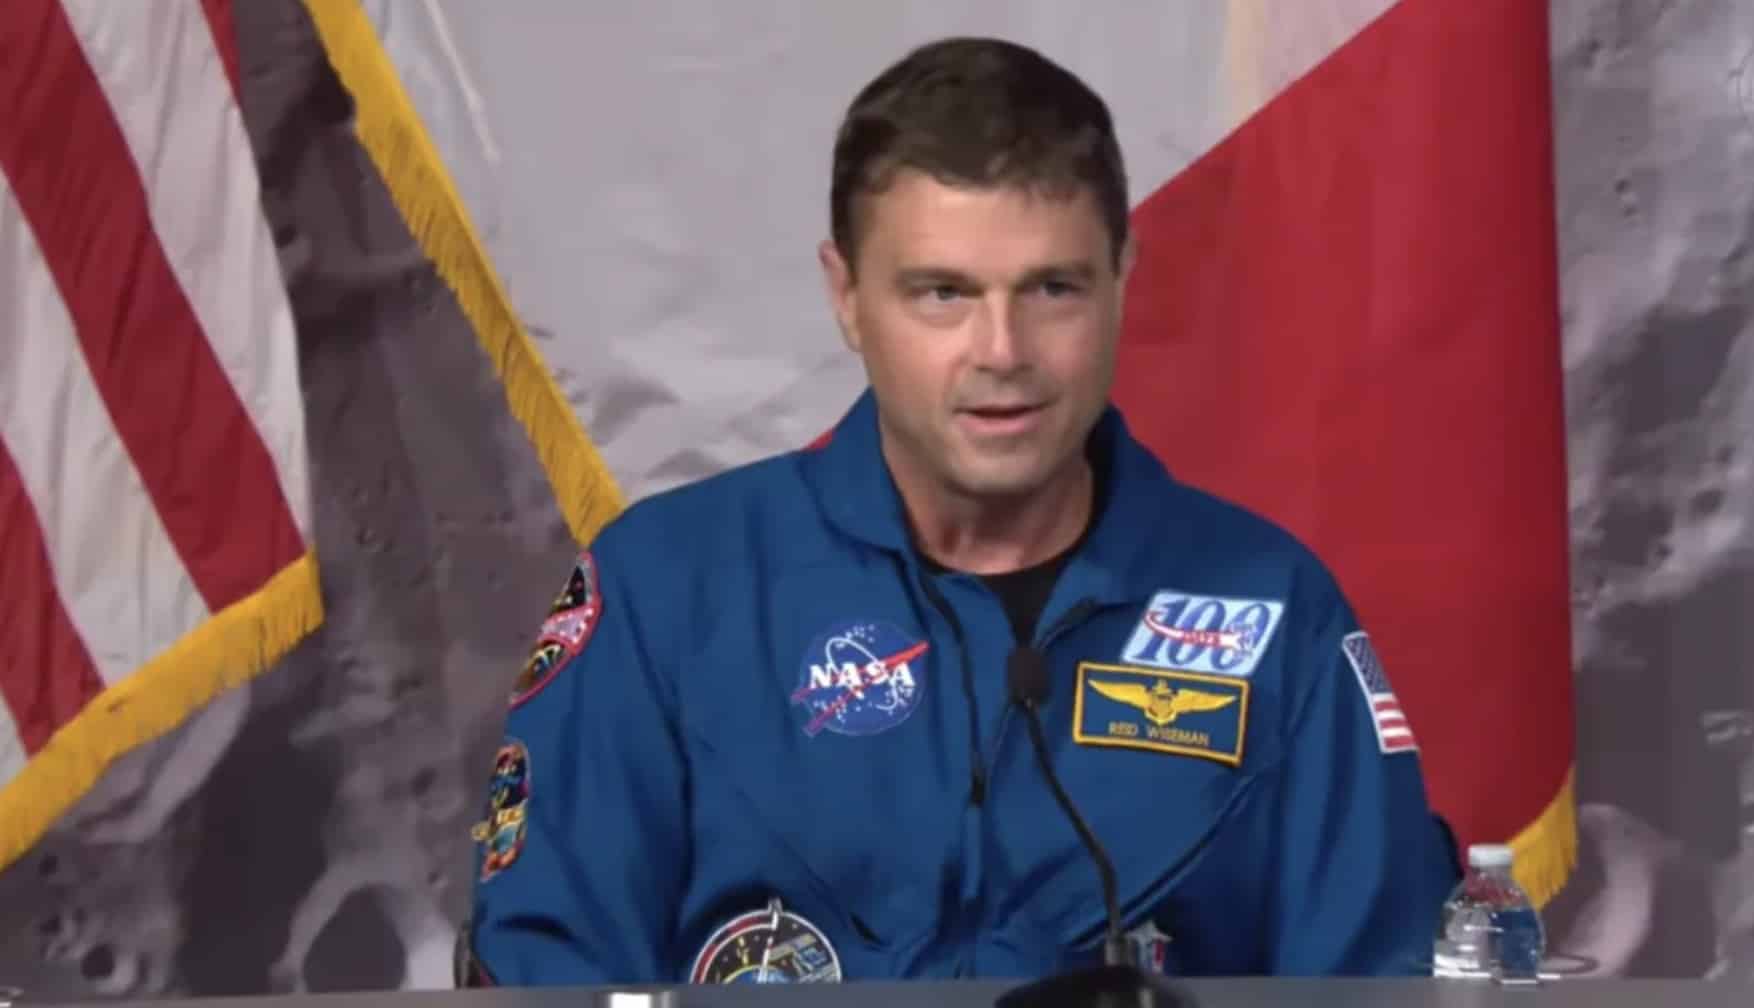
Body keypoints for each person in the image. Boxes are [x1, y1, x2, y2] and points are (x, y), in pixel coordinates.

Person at [459, 35, 1460, 987]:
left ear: (1122, 278)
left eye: (1052, 289)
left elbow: (1381, 985)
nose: (1001, 352)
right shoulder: (668, 590)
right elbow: (547, 972)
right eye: (942, 293)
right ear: (846, 297)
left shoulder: (1273, 610)